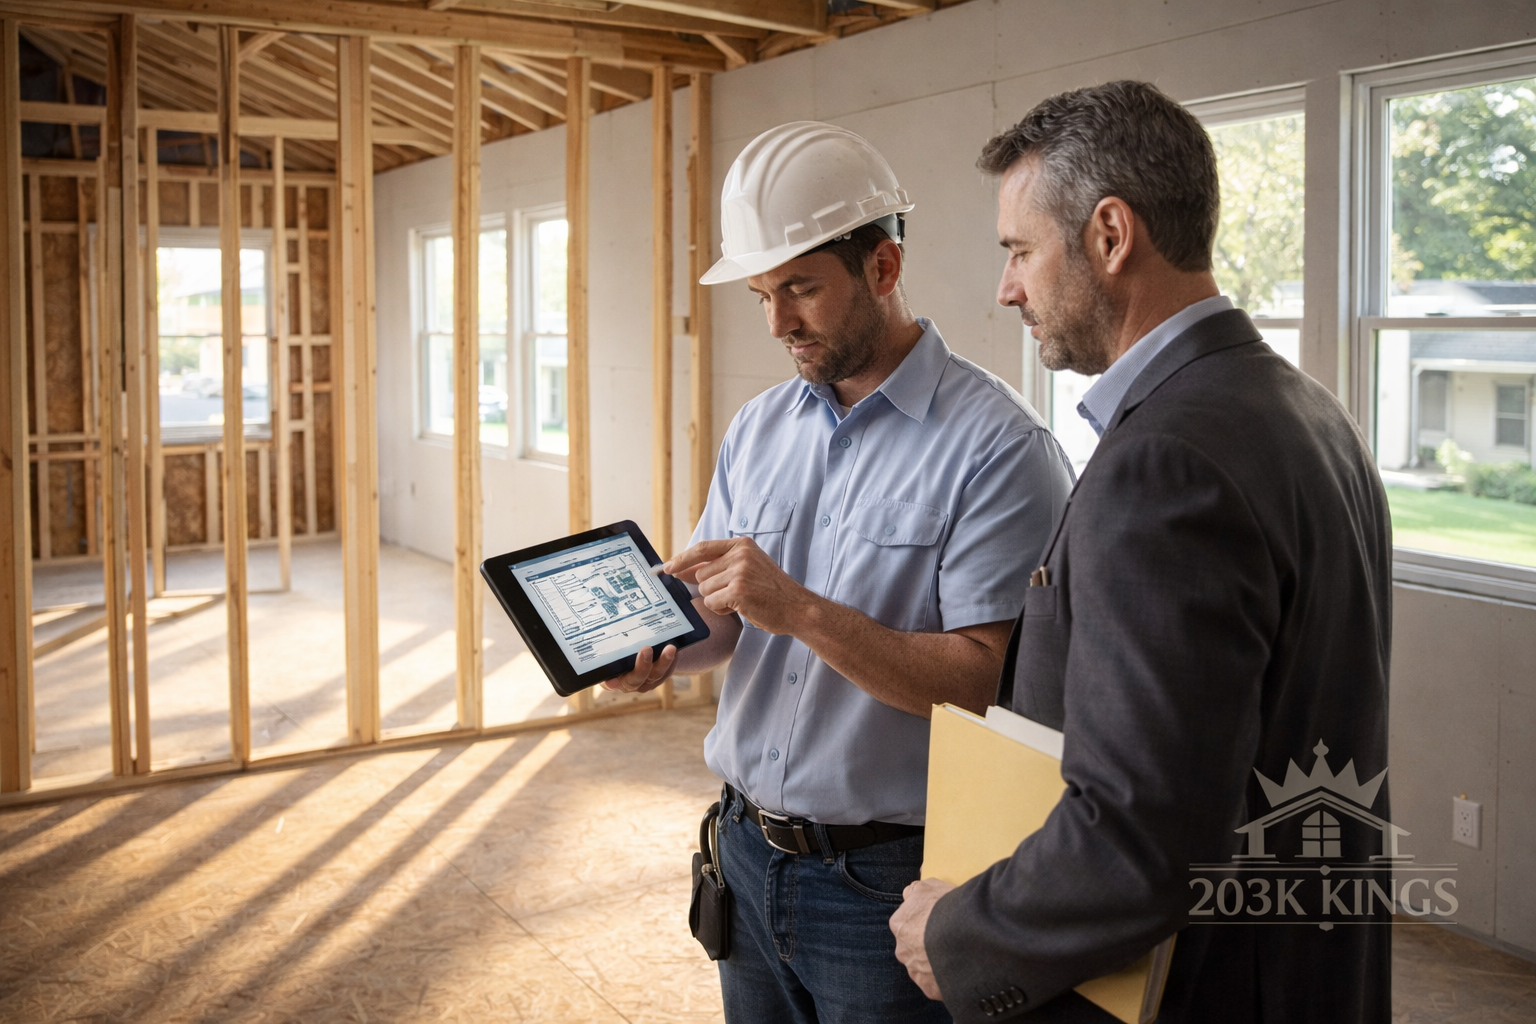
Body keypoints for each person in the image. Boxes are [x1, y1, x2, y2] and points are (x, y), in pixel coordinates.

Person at [889, 81, 1393, 1023]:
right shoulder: (1310, 413)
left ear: (1111, 236)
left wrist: (959, 931)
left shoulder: (1162, 462)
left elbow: (1139, 836)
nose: (1008, 288)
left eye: (1019, 251)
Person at [605, 120, 1075, 1024]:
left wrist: (801, 610)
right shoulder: (761, 427)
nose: (780, 321)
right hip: (744, 852)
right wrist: (659, 646)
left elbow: (990, 686)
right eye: (762, 295)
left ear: (884, 270)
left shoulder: (999, 448)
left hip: (886, 884)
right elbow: (726, 616)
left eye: (802, 289)